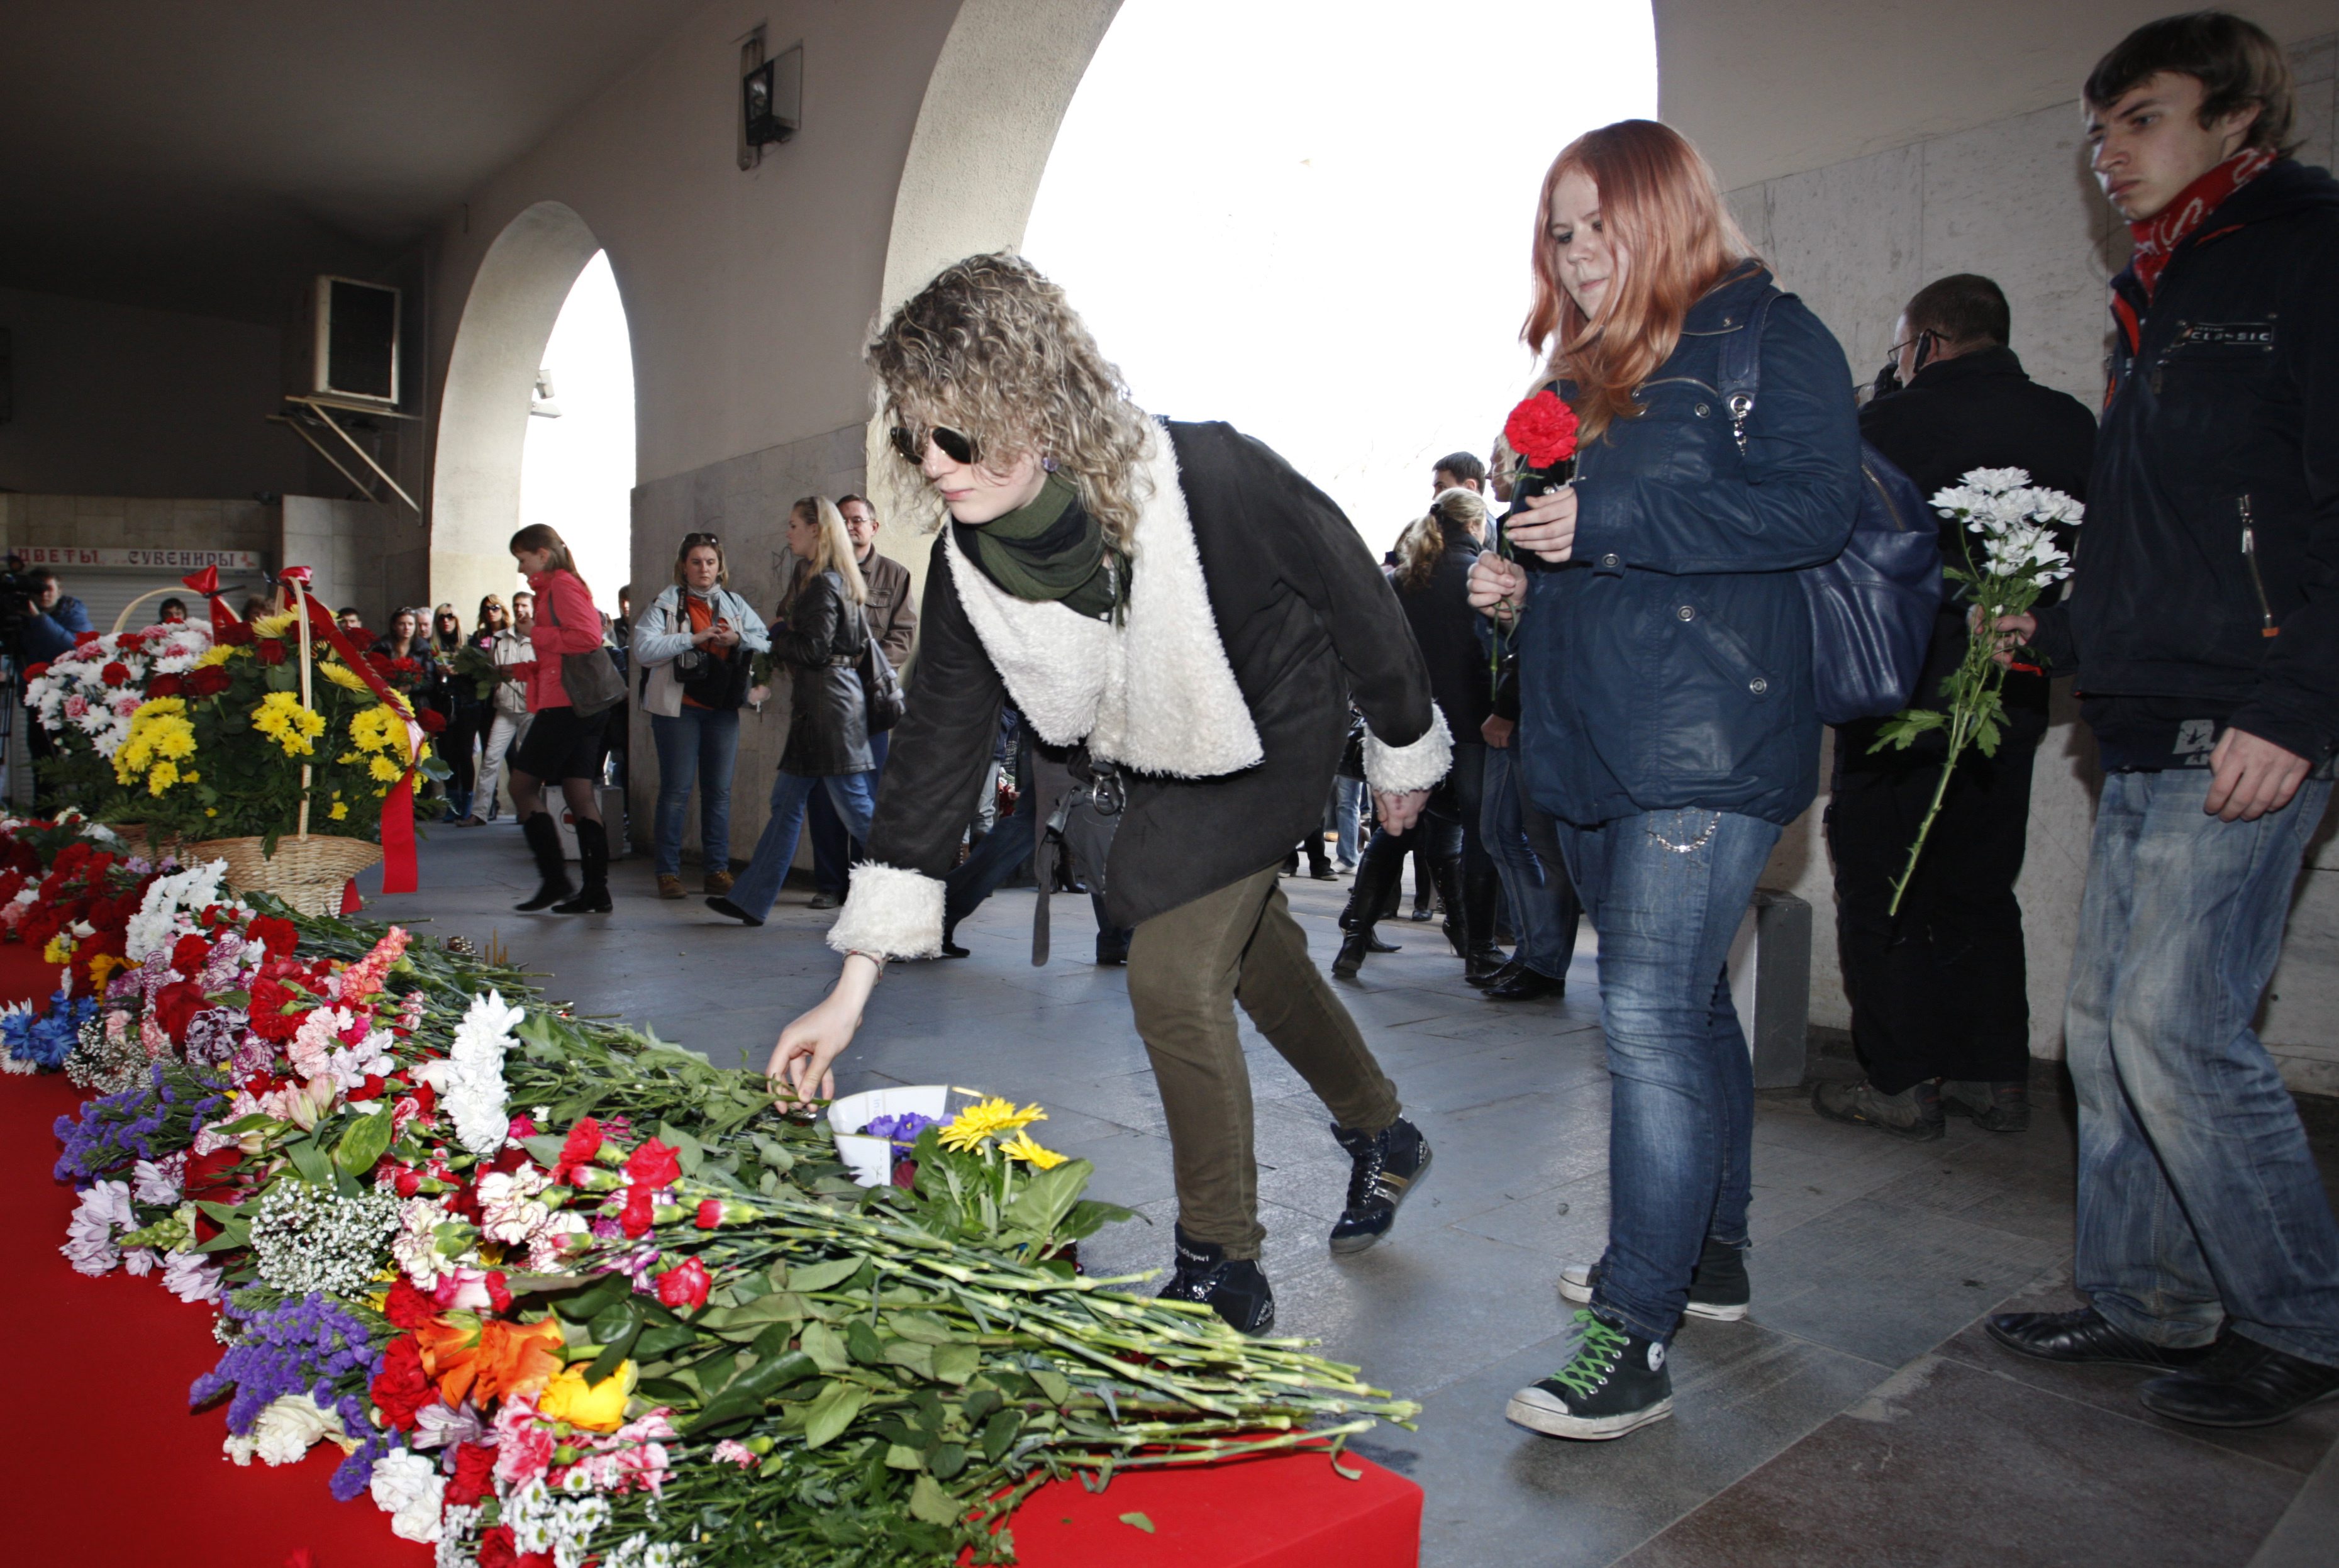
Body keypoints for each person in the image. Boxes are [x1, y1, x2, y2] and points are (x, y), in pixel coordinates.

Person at [767, 253, 1446, 1333]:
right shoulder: (968, 568)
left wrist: (1401, 749)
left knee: (1174, 973)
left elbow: (1352, 588)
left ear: (1030, 401)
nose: (933, 462)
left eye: (956, 430)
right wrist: (850, 990)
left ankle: (1221, 1261)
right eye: (913, 434)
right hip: (1149, 760)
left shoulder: (1208, 473)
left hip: (1269, 727)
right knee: (1249, 954)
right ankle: (1380, 1130)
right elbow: (931, 761)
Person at [1469, 120, 1861, 1439]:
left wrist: (1612, 521)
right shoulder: (1577, 373)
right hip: (1587, 735)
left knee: (1641, 1013)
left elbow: (1813, 508)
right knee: (1684, 1012)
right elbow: (1575, 540)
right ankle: (1713, 1256)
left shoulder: (1765, 334)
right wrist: (1516, 576)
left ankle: (1629, 1333)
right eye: (1558, 231)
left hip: (1706, 738)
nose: (1575, 253)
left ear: (1669, 209)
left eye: (1598, 223)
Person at [1982, 13, 2339, 1432]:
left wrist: (2297, 703)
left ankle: (2297, 1316)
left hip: (2244, 716)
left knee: (2174, 1024)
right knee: (2100, 1022)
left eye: (2138, 117)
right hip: (2144, 710)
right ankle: (2142, 1295)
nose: (2106, 148)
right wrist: (2064, 629)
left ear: (2237, 117)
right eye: (2095, 125)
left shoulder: (2303, 249)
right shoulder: (2167, 282)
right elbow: (2172, 521)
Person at [1815, 274, 2095, 1140]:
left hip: (1898, 691)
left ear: (1926, 343)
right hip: (2011, 683)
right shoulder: (2070, 423)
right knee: (1977, 881)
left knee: (1881, 877)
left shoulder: (1886, 424)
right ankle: (1993, 1074)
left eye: (1901, 347)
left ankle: (1902, 1080)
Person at [1336, 487, 1503, 981]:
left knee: (1394, 831)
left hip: (1412, 725)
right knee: (1479, 835)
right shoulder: (1482, 574)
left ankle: (1353, 940)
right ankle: (1479, 949)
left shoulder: (1404, 577)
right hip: (1472, 724)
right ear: (1475, 526)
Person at [707, 498, 881, 927]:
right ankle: (750, 899)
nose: (787, 534)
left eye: (793, 526)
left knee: (857, 810)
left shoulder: (824, 583)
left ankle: (923, 891)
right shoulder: (828, 579)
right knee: (786, 803)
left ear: (816, 531)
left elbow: (815, 650)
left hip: (828, 713)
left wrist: (778, 634)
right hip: (822, 709)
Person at [635, 533, 770, 899]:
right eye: (696, 562)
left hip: (722, 710)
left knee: (719, 793)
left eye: (710, 562)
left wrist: (737, 639)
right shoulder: (665, 604)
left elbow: (767, 642)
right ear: (683, 567)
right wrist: (692, 639)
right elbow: (644, 650)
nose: (704, 569)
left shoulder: (734, 603)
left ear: (719, 566)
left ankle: (717, 871)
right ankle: (667, 872)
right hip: (678, 711)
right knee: (676, 792)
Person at [805, 494, 919, 910]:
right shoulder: (811, 570)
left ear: (874, 526)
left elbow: (903, 635)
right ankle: (831, 882)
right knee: (823, 795)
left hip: (868, 705)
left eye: (858, 519)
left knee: (866, 793)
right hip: (822, 702)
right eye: (844, 520)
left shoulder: (894, 575)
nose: (851, 526)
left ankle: (870, 882)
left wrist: (861, 673)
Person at [503, 527, 613, 915]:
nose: (521, 567)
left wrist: (538, 635)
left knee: (522, 786)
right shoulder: (555, 587)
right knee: (578, 792)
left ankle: (555, 879)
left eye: (523, 558)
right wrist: (530, 666)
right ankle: (595, 891)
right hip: (581, 703)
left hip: (568, 706)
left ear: (544, 554)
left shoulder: (563, 586)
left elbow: (587, 637)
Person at [12, 568, 91, 807]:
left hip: (70, 702)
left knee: (81, 766)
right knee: (43, 767)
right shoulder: (16, 613)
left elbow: (69, 648)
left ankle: (87, 813)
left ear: (60, 590)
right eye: (38, 590)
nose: (44, 595)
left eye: (49, 589)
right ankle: (45, 816)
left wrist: (38, 618)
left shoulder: (73, 611)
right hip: (37, 704)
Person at [477, 592, 533, 824]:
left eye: (524, 605)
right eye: (516, 605)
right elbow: (493, 671)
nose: (519, 610)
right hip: (505, 707)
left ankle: (530, 810)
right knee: (490, 758)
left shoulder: (541, 638)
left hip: (531, 708)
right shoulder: (501, 639)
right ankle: (479, 812)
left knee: (529, 762)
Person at [425, 603, 482, 823]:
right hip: (443, 706)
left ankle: (467, 804)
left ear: (457, 620)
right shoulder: (431, 647)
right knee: (447, 756)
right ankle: (452, 804)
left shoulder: (469, 643)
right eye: (441, 617)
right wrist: (436, 670)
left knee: (464, 755)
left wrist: (461, 670)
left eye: (450, 617)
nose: (446, 621)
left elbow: (482, 673)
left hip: (467, 705)